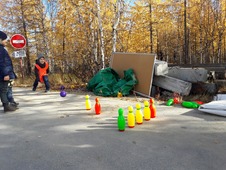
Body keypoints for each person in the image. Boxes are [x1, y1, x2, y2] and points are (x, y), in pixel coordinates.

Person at [0, 31, 17, 112]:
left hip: (3, 73)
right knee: (3, 90)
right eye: (4, 39)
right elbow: (3, 63)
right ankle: (6, 106)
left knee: (4, 89)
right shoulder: (1, 50)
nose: (6, 41)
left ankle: (7, 104)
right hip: (3, 74)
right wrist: (6, 74)